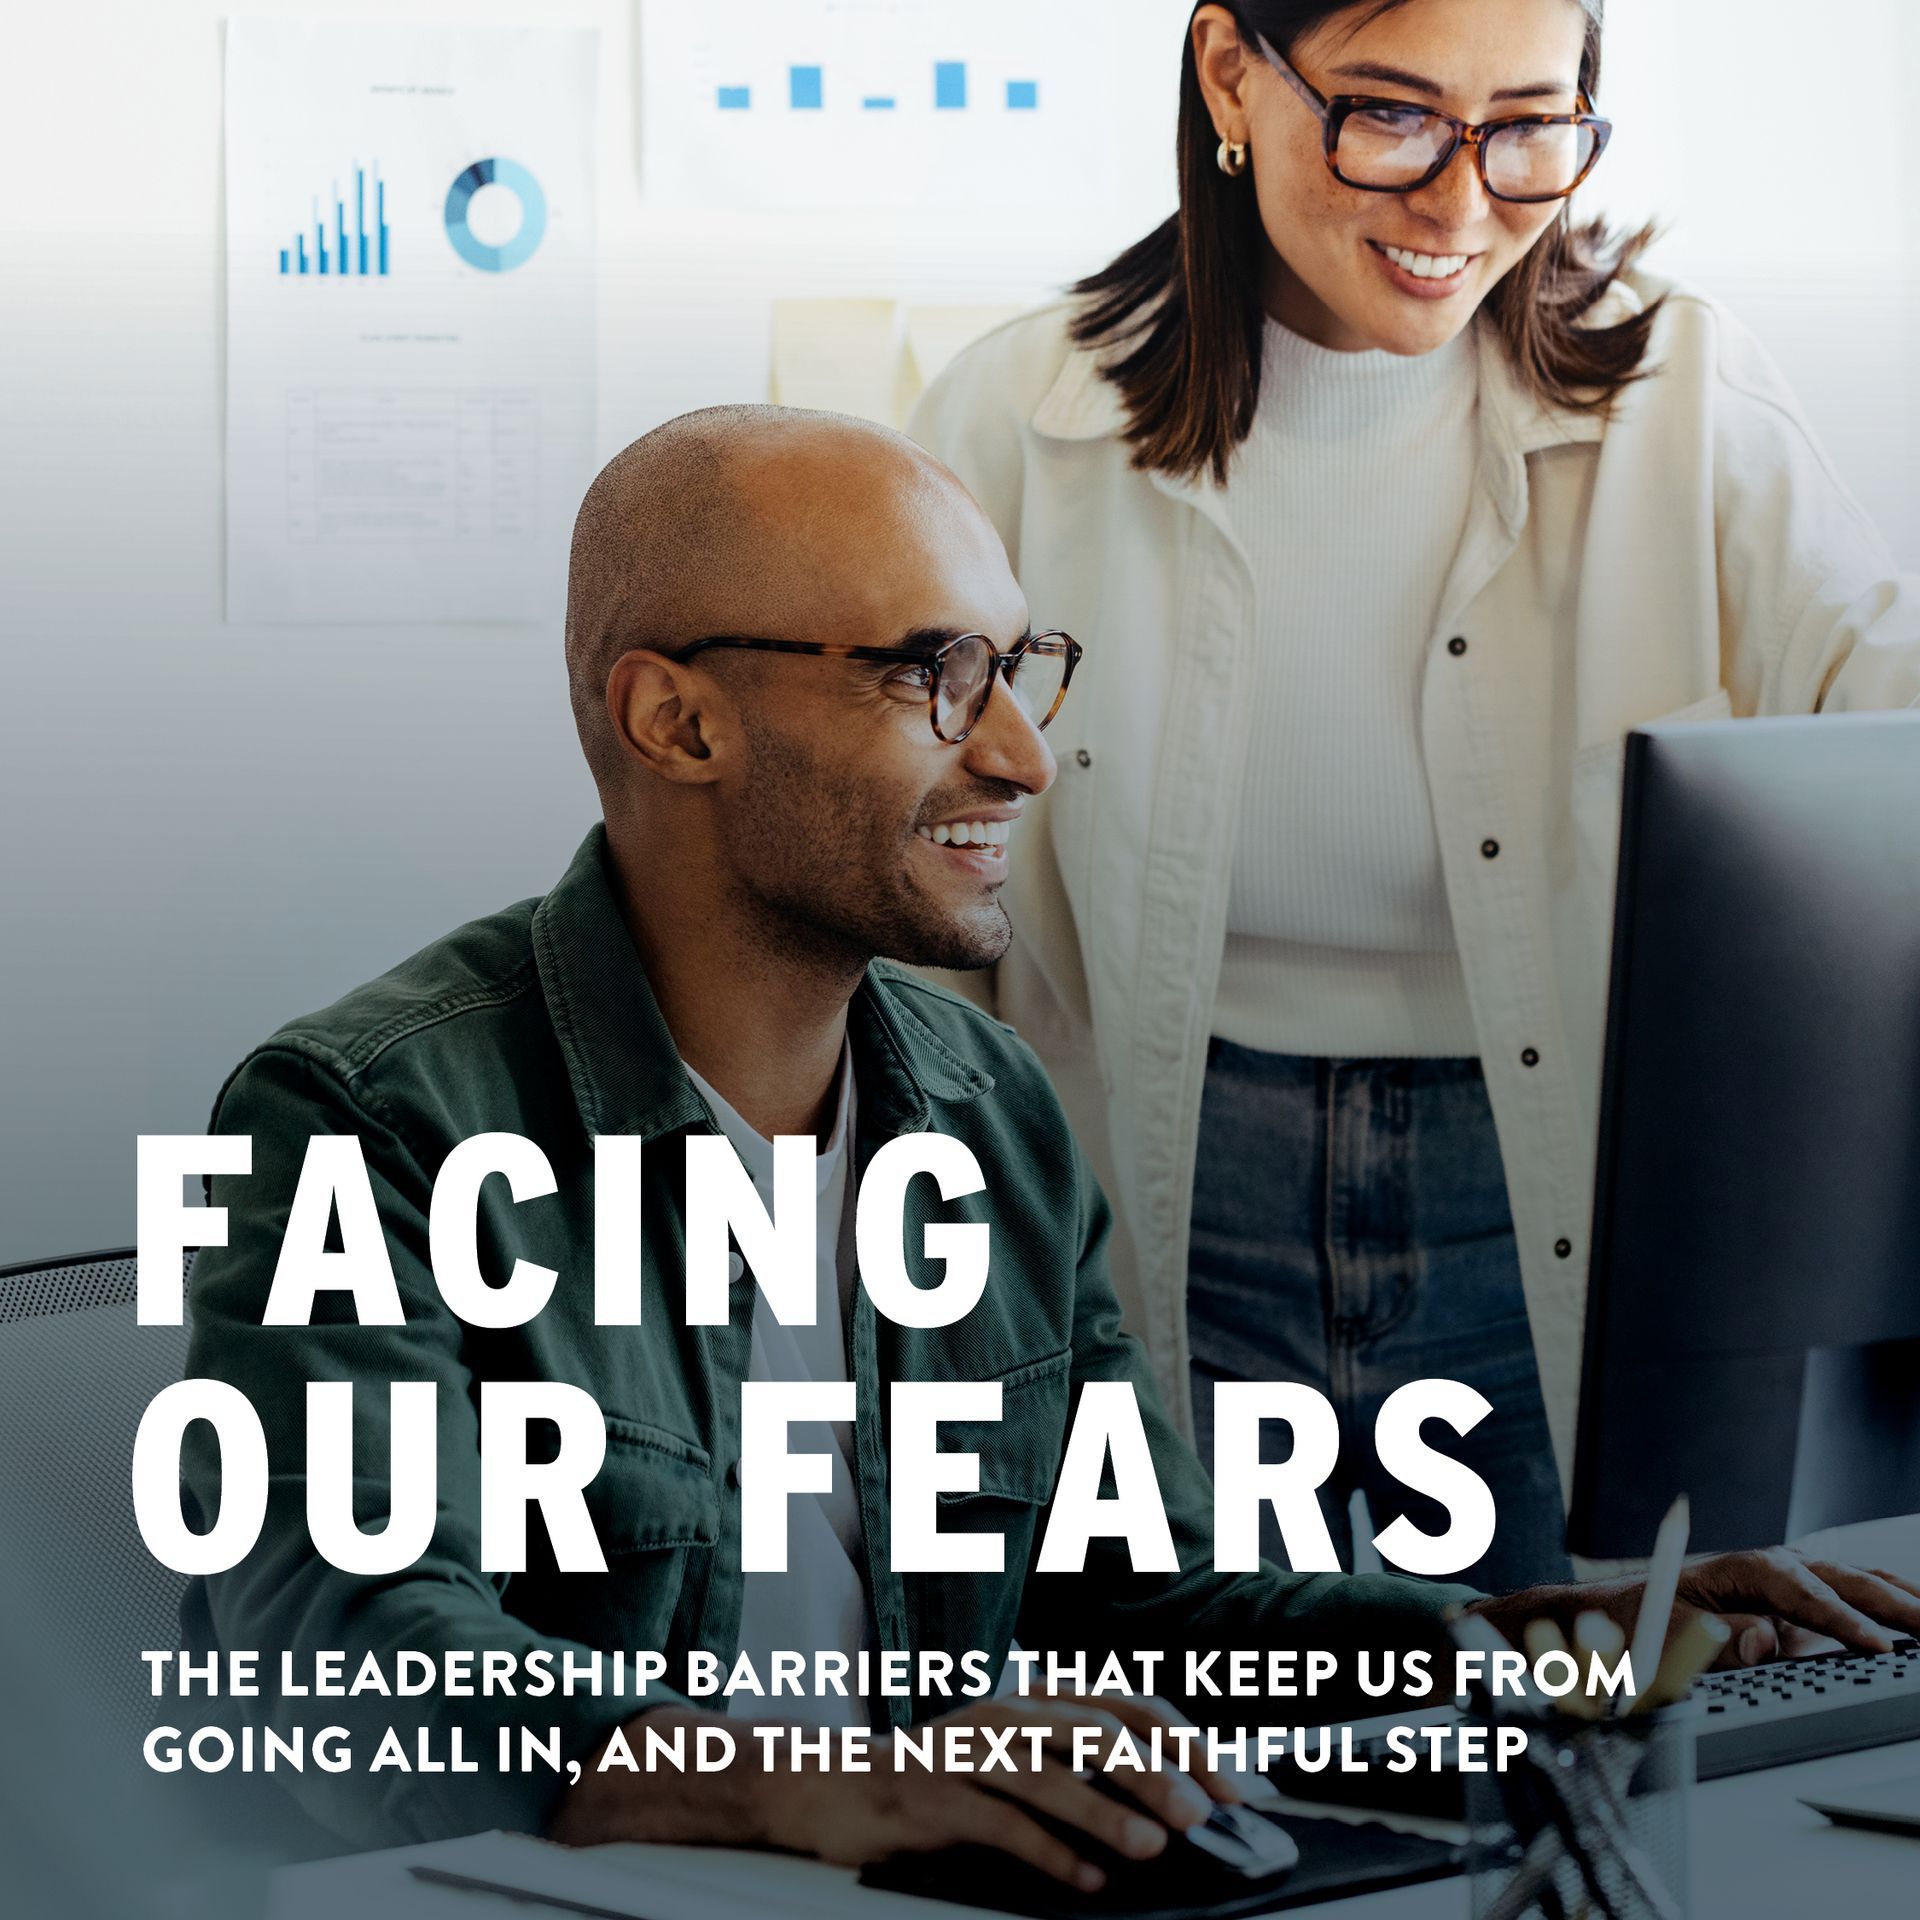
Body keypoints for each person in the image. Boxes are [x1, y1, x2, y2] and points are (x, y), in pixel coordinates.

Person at [182, 407, 1920, 1888]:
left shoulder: (980, 1104)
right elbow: (340, 1655)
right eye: (935, 674)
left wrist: (1540, 1641)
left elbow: (1150, 1590)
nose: (1019, 752)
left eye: (1020, 667)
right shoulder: (372, 1116)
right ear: (678, 722)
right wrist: (820, 1767)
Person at [909, 0, 1920, 1591]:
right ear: (1232, 71)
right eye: (1390, 115)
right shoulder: (1011, 421)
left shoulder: (1693, 397)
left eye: (1528, 127)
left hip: (1544, 1192)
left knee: (1566, 1728)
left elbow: (1890, 770)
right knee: (1218, 1735)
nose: (1460, 207)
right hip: (1165, 1179)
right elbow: (888, 878)